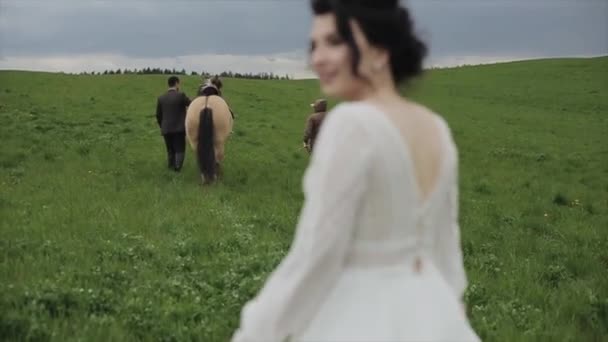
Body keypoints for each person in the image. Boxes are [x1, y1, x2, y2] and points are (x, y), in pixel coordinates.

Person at [231, 0, 480, 341]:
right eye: (313, 45)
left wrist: (255, 332)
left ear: (379, 49)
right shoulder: (437, 129)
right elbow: (446, 246)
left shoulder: (352, 124)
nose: (317, 58)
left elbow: (314, 259)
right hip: (434, 313)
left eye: (334, 41)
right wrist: (449, 312)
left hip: (362, 316)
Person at [156, 76, 191, 171]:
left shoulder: (161, 98)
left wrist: (162, 126)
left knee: (170, 149)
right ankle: (177, 168)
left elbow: (158, 115)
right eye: (179, 83)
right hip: (179, 128)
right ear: (176, 83)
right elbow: (191, 104)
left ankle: (170, 167)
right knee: (180, 149)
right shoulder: (181, 95)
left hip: (166, 128)